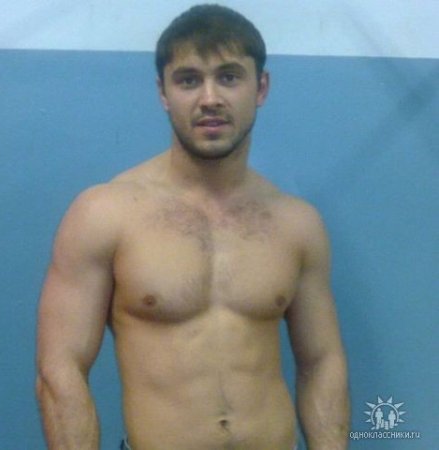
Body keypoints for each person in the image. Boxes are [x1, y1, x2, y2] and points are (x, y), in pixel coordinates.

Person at [36, 4, 350, 449]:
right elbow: (60, 367)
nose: (210, 99)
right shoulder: (105, 213)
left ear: (261, 87)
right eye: (188, 80)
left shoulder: (296, 223)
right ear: (163, 93)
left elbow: (322, 362)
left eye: (229, 77)